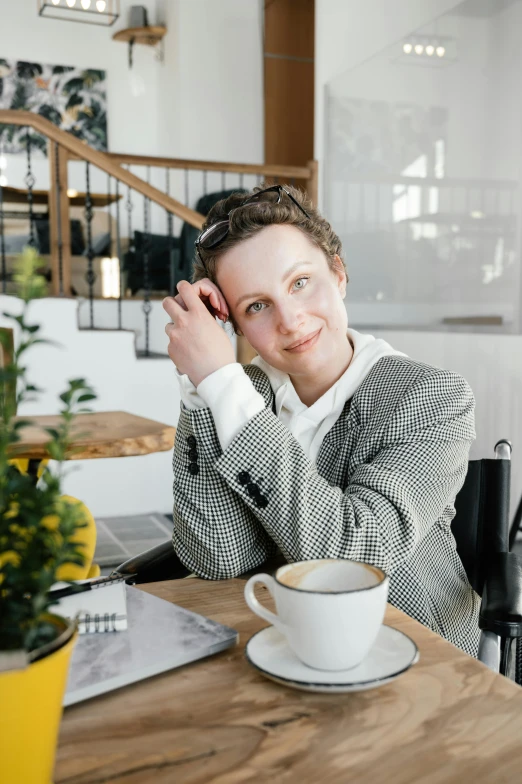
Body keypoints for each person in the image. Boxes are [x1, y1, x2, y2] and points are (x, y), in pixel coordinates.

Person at [162, 184, 480, 656]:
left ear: (339, 274)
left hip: (414, 655)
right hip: (282, 646)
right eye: (256, 306)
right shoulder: (243, 393)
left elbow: (358, 559)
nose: (290, 320)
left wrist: (225, 383)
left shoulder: (432, 397)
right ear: (234, 325)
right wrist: (202, 387)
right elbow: (220, 555)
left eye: (300, 282)